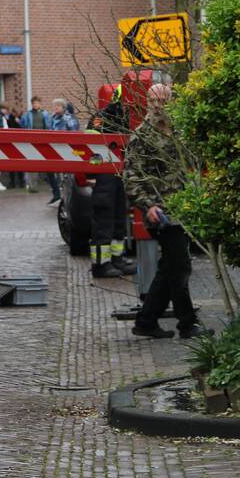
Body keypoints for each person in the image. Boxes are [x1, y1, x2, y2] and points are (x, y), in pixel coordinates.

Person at [124, 83, 210, 339]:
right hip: (159, 210)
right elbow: (132, 176)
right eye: (154, 102)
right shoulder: (142, 136)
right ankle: (186, 323)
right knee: (179, 266)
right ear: (148, 103)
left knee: (171, 267)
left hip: (181, 207)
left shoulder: (180, 131)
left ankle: (147, 321)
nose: (159, 106)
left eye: (164, 101)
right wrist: (148, 205)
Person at [86, 86, 136, 278]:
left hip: (119, 175)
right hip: (105, 175)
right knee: (103, 220)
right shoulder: (101, 118)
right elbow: (90, 144)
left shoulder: (129, 118)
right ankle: (100, 264)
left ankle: (117, 259)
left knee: (118, 218)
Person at [46, 98, 79, 204]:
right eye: (55, 105)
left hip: (67, 150)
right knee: (49, 171)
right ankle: (56, 195)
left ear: (64, 108)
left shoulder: (69, 119)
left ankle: (69, 197)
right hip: (53, 149)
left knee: (67, 174)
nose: (56, 107)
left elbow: (74, 134)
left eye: (58, 106)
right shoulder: (52, 118)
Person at [20, 96, 52, 193]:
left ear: (40, 104)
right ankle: (32, 186)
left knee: (47, 163)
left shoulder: (45, 114)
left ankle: (51, 184)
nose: (35, 105)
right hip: (32, 141)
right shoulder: (27, 114)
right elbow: (23, 125)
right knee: (32, 163)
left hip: (43, 141)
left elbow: (49, 126)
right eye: (34, 103)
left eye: (37, 103)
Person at [6, 107, 25, 189]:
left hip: (20, 143)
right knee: (11, 164)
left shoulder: (21, 118)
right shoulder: (9, 118)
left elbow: (23, 128)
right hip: (11, 143)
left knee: (20, 164)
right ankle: (12, 182)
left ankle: (21, 181)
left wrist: (19, 122)